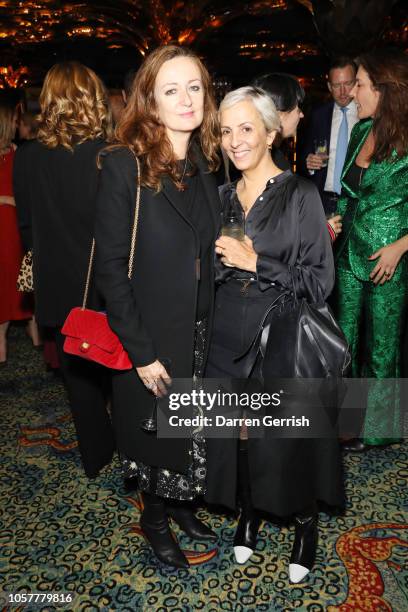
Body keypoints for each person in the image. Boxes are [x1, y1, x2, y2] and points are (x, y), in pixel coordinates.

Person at [204, 86, 344, 583]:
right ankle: (250, 511)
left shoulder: (300, 193)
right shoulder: (219, 196)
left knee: (285, 439)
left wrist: (256, 262)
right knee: (238, 435)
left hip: (281, 332)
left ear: (270, 132)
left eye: (246, 128)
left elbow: (319, 282)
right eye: (225, 131)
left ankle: (305, 524)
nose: (235, 141)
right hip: (225, 335)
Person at [94, 45, 221, 569]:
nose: (186, 99)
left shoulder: (203, 163)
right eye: (171, 89)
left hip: (198, 327)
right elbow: (109, 271)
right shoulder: (125, 165)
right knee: (155, 435)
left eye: (194, 86)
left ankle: (181, 505)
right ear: (149, 99)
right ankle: (153, 518)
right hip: (149, 333)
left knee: (188, 430)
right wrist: (141, 352)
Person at [13, 61, 116, 478]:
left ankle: (96, 455)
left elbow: (27, 229)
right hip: (106, 282)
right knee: (121, 371)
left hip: (56, 284)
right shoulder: (109, 156)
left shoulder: (27, 159)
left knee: (77, 379)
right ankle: (132, 452)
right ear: (93, 98)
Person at [334, 48, 408, 452]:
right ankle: (345, 423)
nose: (353, 93)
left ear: (382, 90)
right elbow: (348, 193)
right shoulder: (361, 131)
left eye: (359, 84)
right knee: (343, 341)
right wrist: (331, 228)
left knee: (382, 345)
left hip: (389, 258)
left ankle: (378, 430)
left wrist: (400, 247)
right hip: (348, 253)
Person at [254, 72, 342, 240]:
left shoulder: (267, 155)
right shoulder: (270, 164)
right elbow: (276, 238)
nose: (301, 115)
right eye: (297, 108)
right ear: (279, 115)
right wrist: (324, 232)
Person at [301, 57, 359, 215]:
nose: (342, 92)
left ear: (356, 83)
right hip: (323, 202)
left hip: (356, 202)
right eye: (336, 85)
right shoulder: (318, 116)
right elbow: (304, 158)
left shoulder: (366, 116)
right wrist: (309, 163)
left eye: (347, 84)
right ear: (329, 86)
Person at [0, 93, 33, 363]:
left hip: (15, 225)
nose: (15, 123)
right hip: (4, 224)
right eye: (12, 120)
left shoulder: (18, 152)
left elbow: (27, 191)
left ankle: (39, 345)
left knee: (21, 277)